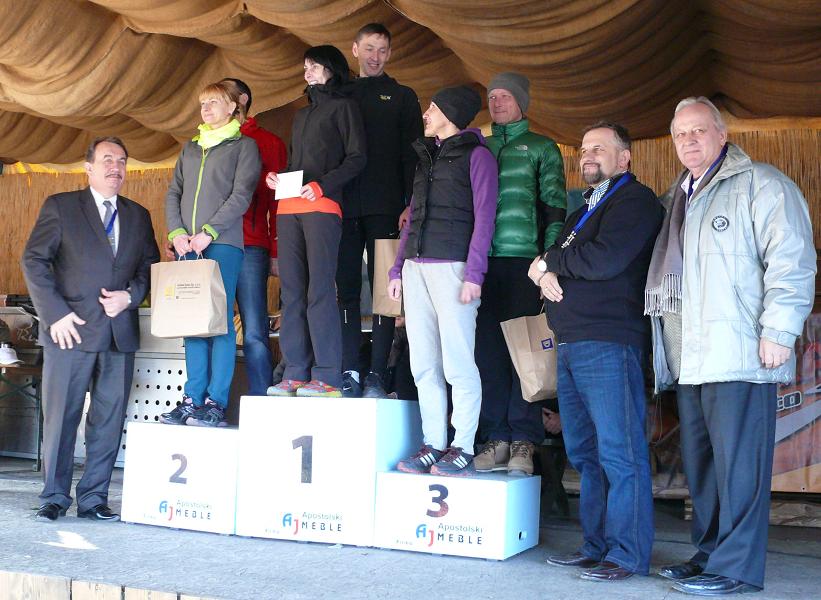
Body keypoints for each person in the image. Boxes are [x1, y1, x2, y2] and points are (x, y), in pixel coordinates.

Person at [647, 97, 815, 596]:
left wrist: (778, 332)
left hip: (740, 352)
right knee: (703, 466)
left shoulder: (761, 185)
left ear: (722, 135)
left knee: (740, 468)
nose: (689, 141)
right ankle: (709, 554)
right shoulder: (677, 197)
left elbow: (791, 260)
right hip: (693, 357)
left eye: (699, 130)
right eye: (681, 134)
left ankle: (736, 568)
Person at [532, 122, 662, 580]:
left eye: (599, 148)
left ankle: (626, 554)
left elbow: (605, 259)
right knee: (586, 453)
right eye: (584, 148)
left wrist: (549, 264)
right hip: (571, 343)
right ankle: (597, 546)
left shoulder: (634, 200)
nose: (587, 155)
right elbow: (555, 261)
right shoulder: (582, 210)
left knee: (620, 454)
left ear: (624, 158)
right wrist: (547, 269)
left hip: (609, 340)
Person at [22, 137, 160, 521]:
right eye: (107, 160)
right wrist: (54, 314)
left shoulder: (138, 215)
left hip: (119, 333)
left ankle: (94, 498)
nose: (116, 167)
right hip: (70, 330)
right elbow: (34, 261)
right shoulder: (62, 207)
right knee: (62, 417)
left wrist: (130, 297)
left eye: (122, 161)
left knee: (108, 420)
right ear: (88, 167)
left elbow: (148, 267)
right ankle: (54, 497)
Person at [388, 85, 498, 476]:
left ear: (451, 113)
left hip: (454, 269)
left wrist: (474, 274)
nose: (426, 113)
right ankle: (433, 443)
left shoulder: (478, 156)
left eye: (432, 108)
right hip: (416, 268)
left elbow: (485, 218)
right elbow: (412, 217)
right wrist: (397, 268)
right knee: (423, 364)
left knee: (458, 363)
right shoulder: (426, 156)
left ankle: (462, 445)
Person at [474, 72, 566, 476]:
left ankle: (524, 440)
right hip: (481, 263)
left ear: (522, 102)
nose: (497, 103)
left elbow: (555, 206)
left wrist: (547, 262)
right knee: (488, 352)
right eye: (492, 96)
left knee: (524, 351)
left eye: (505, 96)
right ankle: (495, 437)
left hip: (525, 263)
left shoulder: (543, 147)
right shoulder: (478, 145)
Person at [266, 45, 367, 398]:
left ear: (332, 69)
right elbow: (296, 164)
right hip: (288, 208)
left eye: (314, 65)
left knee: (320, 291)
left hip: (323, 206)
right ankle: (295, 372)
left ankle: (327, 376)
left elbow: (357, 158)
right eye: (306, 66)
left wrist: (323, 185)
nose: (307, 71)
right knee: (291, 293)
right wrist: (278, 178)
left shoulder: (345, 107)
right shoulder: (300, 116)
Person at [160, 81, 261, 427]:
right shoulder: (191, 148)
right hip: (187, 246)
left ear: (233, 107)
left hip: (222, 244)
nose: (206, 109)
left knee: (219, 322)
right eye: (203, 103)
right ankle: (192, 399)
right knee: (192, 322)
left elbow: (241, 195)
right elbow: (173, 192)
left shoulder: (244, 146)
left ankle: (215, 402)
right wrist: (177, 233)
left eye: (214, 102)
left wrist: (209, 232)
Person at [338, 22, 423, 398]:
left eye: (382, 50)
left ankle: (376, 374)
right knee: (346, 289)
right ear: (355, 50)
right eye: (369, 48)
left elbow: (413, 157)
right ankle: (349, 370)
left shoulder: (402, 96)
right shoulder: (338, 94)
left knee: (386, 291)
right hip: (342, 207)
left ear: (390, 54)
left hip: (387, 207)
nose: (375, 57)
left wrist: (409, 203)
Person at [220, 78, 287, 396]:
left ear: (242, 99)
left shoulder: (269, 143)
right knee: (210, 327)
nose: (214, 103)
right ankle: (210, 402)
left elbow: (279, 202)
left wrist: (275, 249)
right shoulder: (203, 142)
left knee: (255, 330)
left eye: (223, 94)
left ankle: (262, 400)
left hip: (251, 245)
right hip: (211, 245)